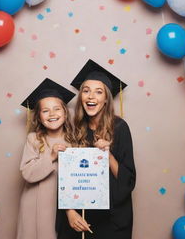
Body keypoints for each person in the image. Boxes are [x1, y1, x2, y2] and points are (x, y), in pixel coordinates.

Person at [57, 59, 136, 239]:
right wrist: (69, 212)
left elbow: (128, 181)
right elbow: (64, 179)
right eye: (86, 91)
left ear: (106, 99)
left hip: (112, 220)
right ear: (81, 97)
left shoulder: (120, 128)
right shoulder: (74, 129)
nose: (91, 96)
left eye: (98, 92)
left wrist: (106, 155)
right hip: (81, 216)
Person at [16, 78, 76, 239]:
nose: (52, 114)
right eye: (45, 111)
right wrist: (51, 156)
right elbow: (27, 173)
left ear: (65, 112)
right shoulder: (33, 139)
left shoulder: (74, 140)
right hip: (36, 203)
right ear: (39, 116)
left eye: (57, 109)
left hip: (65, 206)